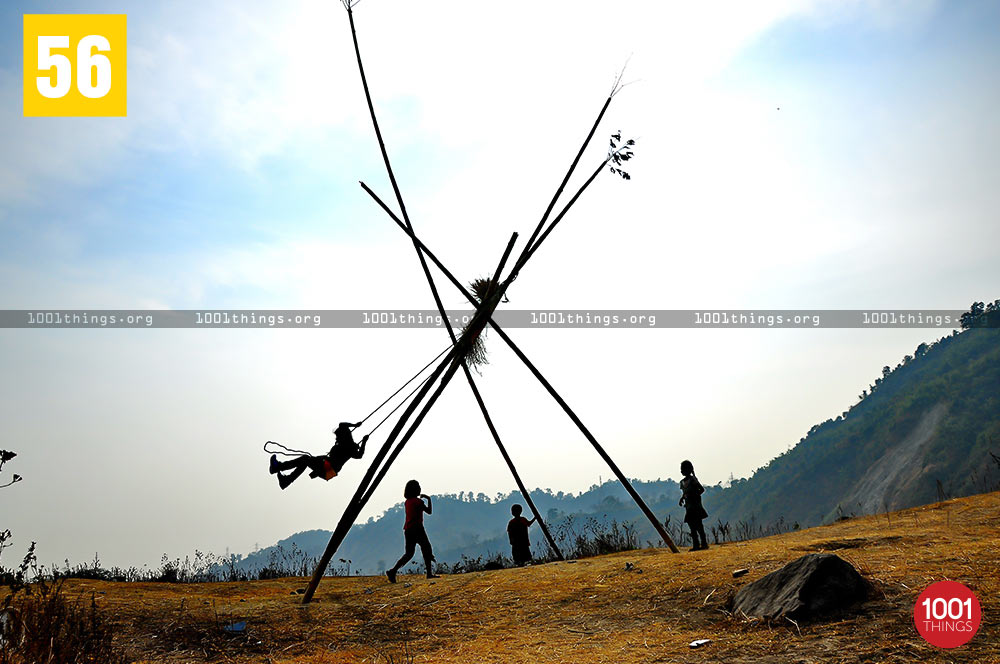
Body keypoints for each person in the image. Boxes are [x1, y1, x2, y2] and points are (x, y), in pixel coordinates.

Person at [268, 422, 368, 490]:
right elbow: (342, 425)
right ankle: (285, 480)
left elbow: (359, 455)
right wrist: (355, 425)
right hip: (328, 469)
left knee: (305, 459)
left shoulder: (348, 447)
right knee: (305, 460)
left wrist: (364, 442)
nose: (336, 438)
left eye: (337, 436)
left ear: (342, 436)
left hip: (330, 470)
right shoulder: (347, 444)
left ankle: (280, 470)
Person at [386, 480, 439, 582]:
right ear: (415, 490)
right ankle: (429, 573)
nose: (420, 488)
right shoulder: (418, 502)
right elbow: (429, 511)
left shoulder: (407, 502)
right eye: (418, 487)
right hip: (418, 529)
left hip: (408, 529)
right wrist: (429, 499)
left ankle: (393, 571)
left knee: (409, 554)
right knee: (426, 549)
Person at [679, 459, 709, 551]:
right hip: (689, 507)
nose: (681, 471)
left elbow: (701, 489)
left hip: (696, 506)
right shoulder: (682, 482)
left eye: (683, 469)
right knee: (692, 527)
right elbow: (685, 493)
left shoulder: (693, 480)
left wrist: (694, 496)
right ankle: (696, 545)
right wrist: (682, 498)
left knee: (699, 526)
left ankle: (703, 544)